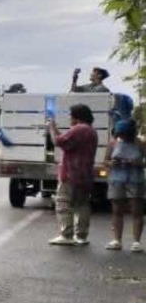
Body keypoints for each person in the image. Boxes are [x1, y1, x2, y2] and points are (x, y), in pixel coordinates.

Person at [48, 104, 100, 246]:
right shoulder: (91, 131)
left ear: (76, 116)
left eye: (70, 115)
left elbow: (57, 141)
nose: (69, 118)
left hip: (70, 173)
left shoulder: (78, 129)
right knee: (82, 205)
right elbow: (66, 141)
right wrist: (57, 130)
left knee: (63, 203)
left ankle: (66, 235)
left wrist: (51, 127)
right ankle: (81, 236)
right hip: (85, 174)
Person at [104, 120, 145, 251]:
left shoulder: (140, 143)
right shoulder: (113, 143)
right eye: (120, 134)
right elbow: (106, 161)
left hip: (135, 180)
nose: (122, 137)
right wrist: (112, 163)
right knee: (117, 211)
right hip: (116, 179)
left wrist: (137, 162)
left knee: (136, 211)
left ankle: (136, 241)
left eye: (124, 134)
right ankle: (117, 240)